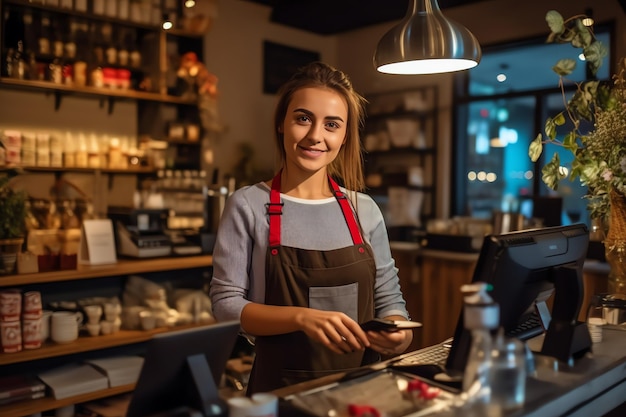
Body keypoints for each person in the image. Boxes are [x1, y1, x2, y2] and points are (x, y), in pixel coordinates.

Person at [209, 61, 413, 394]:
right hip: (281, 392)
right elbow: (225, 305)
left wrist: (398, 334)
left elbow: (391, 304)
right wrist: (301, 318)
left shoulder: (365, 210)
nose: (316, 136)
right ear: (281, 124)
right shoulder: (247, 205)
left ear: (345, 136)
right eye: (303, 118)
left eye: (331, 124)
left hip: (361, 391)